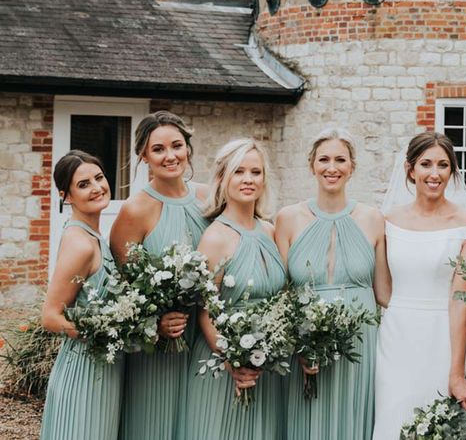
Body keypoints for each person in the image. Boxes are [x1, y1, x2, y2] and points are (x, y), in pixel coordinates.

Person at [275, 127, 388, 440]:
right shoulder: (287, 218)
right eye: (324, 159)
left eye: (340, 159)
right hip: (304, 344)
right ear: (312, 165)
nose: (332, 167)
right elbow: (280, 292)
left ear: (352, 167)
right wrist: (298, 342)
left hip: (360, 343)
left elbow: (384, 293)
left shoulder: (373, 218)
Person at [373, 131, 466, 440]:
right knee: (394, 420)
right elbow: (383, 291)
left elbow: (462, 297)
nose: (434, 174)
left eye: (443, 165)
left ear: (452, 171)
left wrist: (457, 372)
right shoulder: (389, 220)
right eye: (426, 164)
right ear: (410, 170)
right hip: (397, 340)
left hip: (447, 337)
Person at [110, 111, 208, 440]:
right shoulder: (135, 210)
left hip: (205, 336)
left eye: (177, 146)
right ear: (144, 156)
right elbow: (125, 289)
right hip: (160, 345)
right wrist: (157, 324)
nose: (170, 156)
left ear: (188, 149)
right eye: (159, 149)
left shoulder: (210, 199)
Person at [182, 138, 286, 440]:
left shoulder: (270, 230)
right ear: (223, 178)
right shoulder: (215, 237)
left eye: (256, 172)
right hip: (225, 365)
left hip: (264, 366)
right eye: (239, 171)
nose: (248, 179)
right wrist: (234, 358)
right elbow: (205, 311)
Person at [40, 150, 123, 440]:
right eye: (83, 184)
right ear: (67, 196)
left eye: (99, 177)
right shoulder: (81, 244)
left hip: (105, 369)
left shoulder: (94, 236)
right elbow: (51, 317)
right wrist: (100, 332)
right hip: (84, 372)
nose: (97, 187)